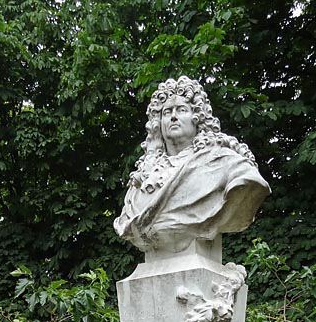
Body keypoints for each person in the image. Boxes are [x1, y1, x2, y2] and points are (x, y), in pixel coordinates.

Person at [114, 76, 269, 255]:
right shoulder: (143, 179)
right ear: (158, 124)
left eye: (181, 110)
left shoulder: (225, 162)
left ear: (197, 118)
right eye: (166, 112)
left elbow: (252, 183)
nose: (173, 117)